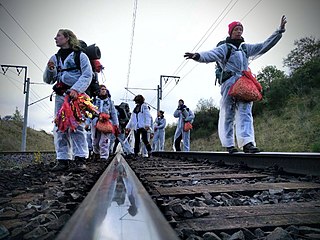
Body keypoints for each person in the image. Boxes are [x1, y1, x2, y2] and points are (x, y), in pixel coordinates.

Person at [184, 16, 287, 154]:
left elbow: (263, 46)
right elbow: (210, 54)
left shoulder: (245, 48)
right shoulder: (224, 48)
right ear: (230, 32)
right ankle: (229, 144)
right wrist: (197, 56)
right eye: (236, 29)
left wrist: (279, 31)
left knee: (246, 112)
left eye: (241, 29)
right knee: (228, 113)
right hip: (229, 83)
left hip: (244, 83)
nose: (239, 31)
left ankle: (247, 143)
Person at [43, 29, 92, 170]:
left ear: (67, 38)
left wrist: (76, 89)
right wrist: (50, 69)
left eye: (58, 35)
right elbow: (48, 79)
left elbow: (87, 75)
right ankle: (62, 159)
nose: (55, 38)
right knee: (60, 126)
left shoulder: (80, 56)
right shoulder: (54, 58)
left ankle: (80, 158)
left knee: (77, 126)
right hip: (61, 96)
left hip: (76, 96)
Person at [91, 85, 119, 161]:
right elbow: (89, 112)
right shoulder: (94, 101)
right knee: (95, 139)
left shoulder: (109, 101)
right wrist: (87, 122)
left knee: (104, 140)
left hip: (106, 122)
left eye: (105, 89)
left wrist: (116, 124)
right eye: (102, 89)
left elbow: (113, 113)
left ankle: (104, 156)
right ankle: (96, 153)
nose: (104, 91)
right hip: (96, 121)